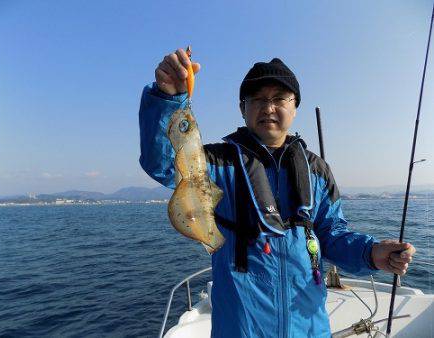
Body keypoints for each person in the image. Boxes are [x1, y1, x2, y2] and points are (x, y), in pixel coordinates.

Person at [138, 48, 416, 338]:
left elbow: (331, 233)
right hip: (241, 329)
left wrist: (371, 253)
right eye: (257, 99)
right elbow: (164, 164)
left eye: (279, 99)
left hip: (309, 329)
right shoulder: (217, 163)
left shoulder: (316, 170)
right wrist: (168, 98)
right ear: (242, 108)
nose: (268, 107)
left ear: (295, 107)